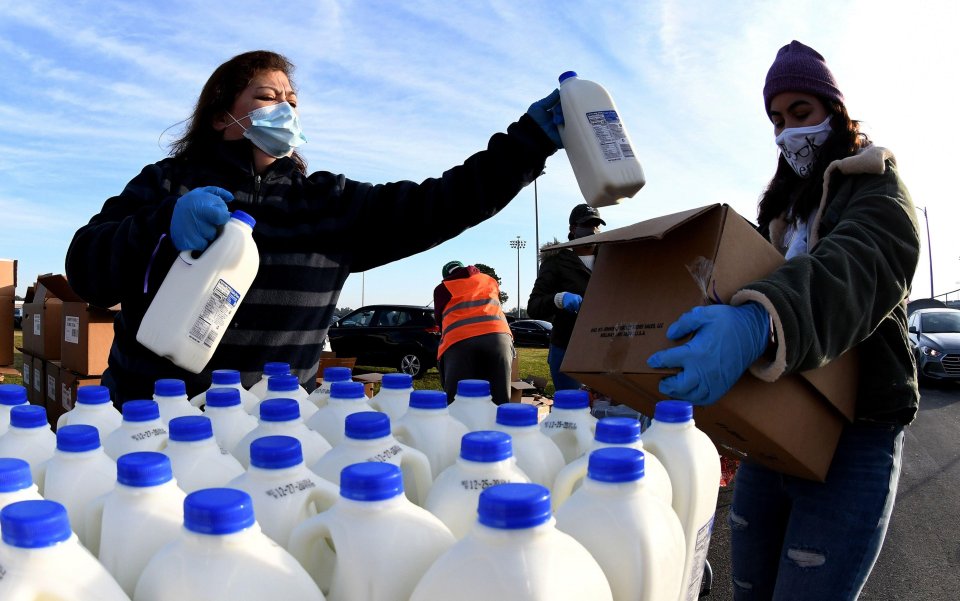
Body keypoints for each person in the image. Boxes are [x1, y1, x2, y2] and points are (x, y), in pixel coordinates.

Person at [65, 50, 564, 405]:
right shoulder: (165, 185)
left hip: (273, 432)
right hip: (151, 420)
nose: (285, 107)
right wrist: (161, 226)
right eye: (266, 95)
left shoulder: (329, 203)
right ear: (221, 117)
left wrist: (527, 144)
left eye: (292, 99)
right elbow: (85, 268)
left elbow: (441, 202)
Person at [647, 41, 920, 600]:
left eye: (801, 114)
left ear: (833, 111)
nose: (787, 132)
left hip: (856, 432)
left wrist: (756, 324)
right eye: (776, 119)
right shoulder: (780, 210)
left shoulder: (877, 186)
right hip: (779, 423)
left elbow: (855, 268)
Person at [527, 203, 604, 391]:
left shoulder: (610, 257)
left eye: (596, 225)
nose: (593, 230)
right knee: (573, 406)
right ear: (573, 228)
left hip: (602, 344)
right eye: (587, 225)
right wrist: (559, 299)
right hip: (567, 346)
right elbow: (534, 306)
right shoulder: (556, 261)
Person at [432, 261, 514, 405]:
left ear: (446, 276)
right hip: (499, 340)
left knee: (456, 402)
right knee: (500, 400)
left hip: (459, 342)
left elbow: (439, 320)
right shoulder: (489, 280)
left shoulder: (442, 288)